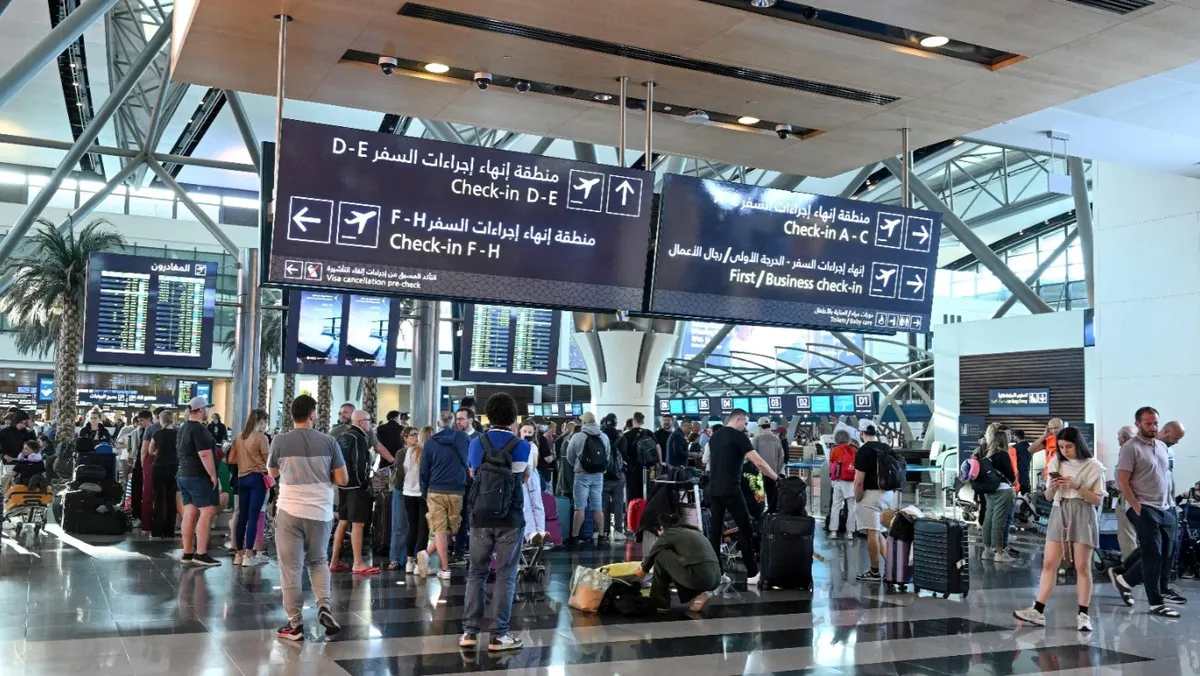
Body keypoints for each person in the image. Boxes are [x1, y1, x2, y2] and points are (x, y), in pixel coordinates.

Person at [269, 394, 347, 641]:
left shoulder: (280, 440)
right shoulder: (329, 441)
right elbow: (342, 479)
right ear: (312, 414)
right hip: (320, 512)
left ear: (292, 415)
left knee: (291, 570)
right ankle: (324, 606)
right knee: (318, 561)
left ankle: (295, 625)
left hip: (289, 511)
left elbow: (272, 473)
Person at [1014, 427, 1106, 631]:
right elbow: (1048, 497)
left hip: (1083, 512)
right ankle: (1038, 610)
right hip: (1059, 509)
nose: (1065, 451)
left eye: (1069, 447)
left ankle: (1083, 614)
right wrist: (1054, 486)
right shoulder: (1056, 462)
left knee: (1082, 566)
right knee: (1049, 563)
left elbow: (1098, 500)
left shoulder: (1093, 466)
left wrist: (1077, 486)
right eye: (1061, 447)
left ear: (1078, 445)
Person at [460, 392, 531, 652]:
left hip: (480, 516)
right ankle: (499, 635)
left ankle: (469, 632)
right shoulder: (523, 446)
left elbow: (473, 473)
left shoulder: (476, 443)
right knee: (505, 575)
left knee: (476, 573)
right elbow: (522, 478)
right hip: (510, 518)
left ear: (488, 415)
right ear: (513, 417)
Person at [1111, 412, 1187, 616]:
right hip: (1144, 506)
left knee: (1165, 552)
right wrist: (1137, 507)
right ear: (1138, 424)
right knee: (1153, 554)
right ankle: (1156, 602)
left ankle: (1124, 578)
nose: (1153, 427)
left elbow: (1165, 478)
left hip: (1166, 507)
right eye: (1148, 423)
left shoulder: (1162, 447)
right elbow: (1121, 480)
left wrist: (1171, 505)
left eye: (1155, 423)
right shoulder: (1130, 448)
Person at [707, 409, 780, 586]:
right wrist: (776, 478)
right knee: (745, 528)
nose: (745, 426)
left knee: (715, 532)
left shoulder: (714, 437)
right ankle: (752, 573)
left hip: (713, 489)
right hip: (731, 490)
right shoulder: (738, 436)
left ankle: (718, 573)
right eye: (745, 423)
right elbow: (758, 462)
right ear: (738, 419)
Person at [417, 410, 471, 580]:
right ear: (453, 422)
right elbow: (469, 461)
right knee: (451, 529)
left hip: (435, 490)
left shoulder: (430, 443)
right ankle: (440, 565)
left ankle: (437, 562)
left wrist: (424, 491)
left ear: (438, 424)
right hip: (457, 490)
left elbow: (424, 470)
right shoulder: (463, 438)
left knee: (440, 529)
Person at [637, 512, 724, 612]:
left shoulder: (669, 533)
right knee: (679, 563)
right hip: (716, 579)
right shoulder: (694, 532)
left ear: (662, 527)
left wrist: (644, 569)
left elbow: (653, 552)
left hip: (700, 579)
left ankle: (660, 603)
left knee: (661, 555)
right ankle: (697, 596)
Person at [330, 410, 378, 575]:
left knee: (343, 521)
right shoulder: (359, 438)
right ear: (360, 422)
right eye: (368, 420)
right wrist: (363, 484)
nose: (370, 424)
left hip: (343, 486)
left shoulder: (343, 436)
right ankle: (358, 563)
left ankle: (334, 561)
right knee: (358, 523)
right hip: (356, 488)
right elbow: (360, 464)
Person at [176, 397, 221, 567]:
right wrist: (213, 475)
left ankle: (188, 553)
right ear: (201, 410)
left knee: (190, 512)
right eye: (207, 408)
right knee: (207, 512)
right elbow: (205, 454)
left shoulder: (183, 428)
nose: (208, 411)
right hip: (198, 476)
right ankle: (201, 554)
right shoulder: (200, 429)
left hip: (183, 474)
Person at [853, 425, 897, 582]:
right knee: (878, 532)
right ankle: (892, 568)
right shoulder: (886, 448)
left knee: (871, 532)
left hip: (871, 495)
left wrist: (857, 498)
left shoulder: (864, 450)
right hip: (888, 494)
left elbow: (859, 481)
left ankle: (874, 571)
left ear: (862, 433)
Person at [230, 409, 271, 566]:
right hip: (257, 479)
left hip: (242, 478)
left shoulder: (239, 437)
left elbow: (231, 459)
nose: (265, 425)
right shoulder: (261, 438)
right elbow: (268, 461)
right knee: (253, 517)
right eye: (265, 422)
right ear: (261, 421)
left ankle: (238, 555)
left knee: (242, 516)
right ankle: (248, 555)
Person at [566, 412, 610, 549]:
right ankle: (601, 536)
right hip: (598, 475)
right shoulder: (604, 436)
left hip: (582, 475)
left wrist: (578, 465)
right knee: (597, 507)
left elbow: (570, 456)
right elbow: (607, 456)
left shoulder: (577, 436)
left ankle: (575, 536)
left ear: (583, 422)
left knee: (580, 507)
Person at [979, 429, 1018, 563]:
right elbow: (1011, 475)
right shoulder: (1003, 454)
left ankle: (987, 550)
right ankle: (1000, 552)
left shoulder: (988, 454)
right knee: (999, 522)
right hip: (1003, 490)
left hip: (990, 490)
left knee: (988, 519)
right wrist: (1013, 481)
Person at [399, 426, 430, 573]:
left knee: (412, 528)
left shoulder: (410, 451)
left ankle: (409, 562)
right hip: (423, 494)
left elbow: (405, 469)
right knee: (423, 529)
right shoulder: (428, 452)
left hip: (408, 492)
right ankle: (420, 565)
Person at [387, 422, 417, 571]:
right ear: (405, 438)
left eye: (418, 435)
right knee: (399, 525)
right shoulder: (401, 453)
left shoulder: (421, 451)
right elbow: (401, 473)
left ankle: (409, 558)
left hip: (415, 492)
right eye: (413, 435)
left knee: (413, 526)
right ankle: (395, 558)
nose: (416, 438)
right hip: (401, 491)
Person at [147, 410, 179, 539]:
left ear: (161, 420)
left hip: (159, 467)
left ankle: (156, 531)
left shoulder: (157, 433)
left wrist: (160, 453)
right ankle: (169, 531)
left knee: (158, 499)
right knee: (171, 500)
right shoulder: (178, 434)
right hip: (173, 468)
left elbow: (150, 451)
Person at [598, 414, 626, 542]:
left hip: (603, 475)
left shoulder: (600, 437)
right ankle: (619, 530)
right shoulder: (621, 438)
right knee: (618, 503)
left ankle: (604, 530)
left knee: (603, 504)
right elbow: (625, 455)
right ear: (615, 423)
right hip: (618, 475)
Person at [621, 412, 660, 502]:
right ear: (642, 422)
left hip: (632, 469)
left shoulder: (626, 435)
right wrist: (659, 462)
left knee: (632, 495)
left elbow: (623, 453)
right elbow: (657, 447)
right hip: (647, 468)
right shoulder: (648, 432)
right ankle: (646, 509)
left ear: (633, 420)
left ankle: (633, 510)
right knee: (647, 492)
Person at [828, 430, 858, 538]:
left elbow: (831, 465)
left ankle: (833, 532)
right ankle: (850, 532)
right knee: (852, 507)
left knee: (836, 506)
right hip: (851, 482)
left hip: (839, 481)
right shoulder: (854, 449)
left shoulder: (835, 449)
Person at [752, 417, 785, 514]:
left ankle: (759, 515)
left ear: (760, 426)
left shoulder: (756, 438)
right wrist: (776, 471)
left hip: (759, 472)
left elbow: (753, 455)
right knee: (772, 495)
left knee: (759, 496)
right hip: (773, 473)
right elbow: (781, 457)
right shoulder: (776, 439)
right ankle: (771, 515)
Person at [1013, 430, 1032, 497]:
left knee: (1014, 495)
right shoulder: (1029, 446)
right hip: (1026, 472)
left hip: (1016, 473)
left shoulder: (1014, 447)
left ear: (1016, 436)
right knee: (1026, 495)